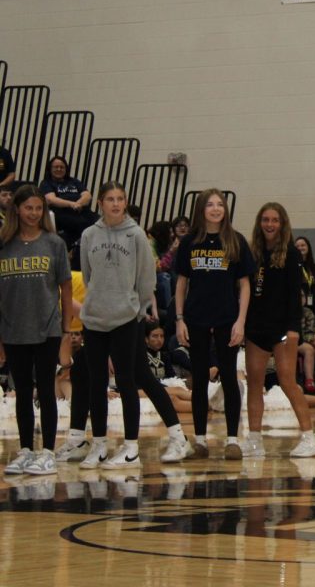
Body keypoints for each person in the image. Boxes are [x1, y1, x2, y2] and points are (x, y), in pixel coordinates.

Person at [78, 181, 192, 468]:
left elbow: (146, 279)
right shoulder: (89, 234)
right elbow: (88, 277)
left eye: (120, 199)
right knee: (107, 382)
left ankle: (132, 448)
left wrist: (134, 308)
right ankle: (100, 445)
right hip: (95, 318)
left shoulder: (136, 234)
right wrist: (100, 301)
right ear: (100, 203)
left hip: (126, 318)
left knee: (131, 381)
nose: (116, 204)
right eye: (110, 199)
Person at [175, 188, 255, 459]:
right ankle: (200, 440)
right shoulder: (189, 242)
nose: (216, 208)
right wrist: (179, 319)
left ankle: (232, 439)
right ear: (202, 209)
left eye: (220, 204)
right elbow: (181, 283)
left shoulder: (236, 240)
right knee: (199, 378)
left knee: (229, 377)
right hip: (195, 317)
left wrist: (241, 321)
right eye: (210, 204)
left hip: (227, 318)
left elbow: (245, 285)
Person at [0, 184, 72, 476]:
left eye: (38, 208)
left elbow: (66, 289)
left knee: (45, 388)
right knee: (22, 390)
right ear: (16, 209)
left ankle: (48, 452)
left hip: (47, 329)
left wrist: (67, 330)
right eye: (28, 207)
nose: (33, 213)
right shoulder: (4, 244)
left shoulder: (54, 244)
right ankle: (26, 449)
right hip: (13, 328)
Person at [243, 203, 315, 458]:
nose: (269, 224)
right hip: (256, 327)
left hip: (283, 329)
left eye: (274, 220)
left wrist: (294, 328)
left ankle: (309, 437)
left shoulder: (290, 253)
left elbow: (294, 294)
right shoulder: (252, 251)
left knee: (288, 381)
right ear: (259, 222)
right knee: (254, 382)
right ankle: (254, 439)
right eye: (265, 219)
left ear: (282, 223)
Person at [39, 155, 99, 248]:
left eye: (62, 167)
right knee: (82, 224)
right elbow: (51, 199)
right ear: (50, 169)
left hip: (81, 210)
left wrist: (78, 204)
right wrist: (71, 204)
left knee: (100, 221)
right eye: (56, 167)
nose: (59, 169)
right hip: (61, 213)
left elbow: (87, 196)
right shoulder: (46, 183)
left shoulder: (74, 181)